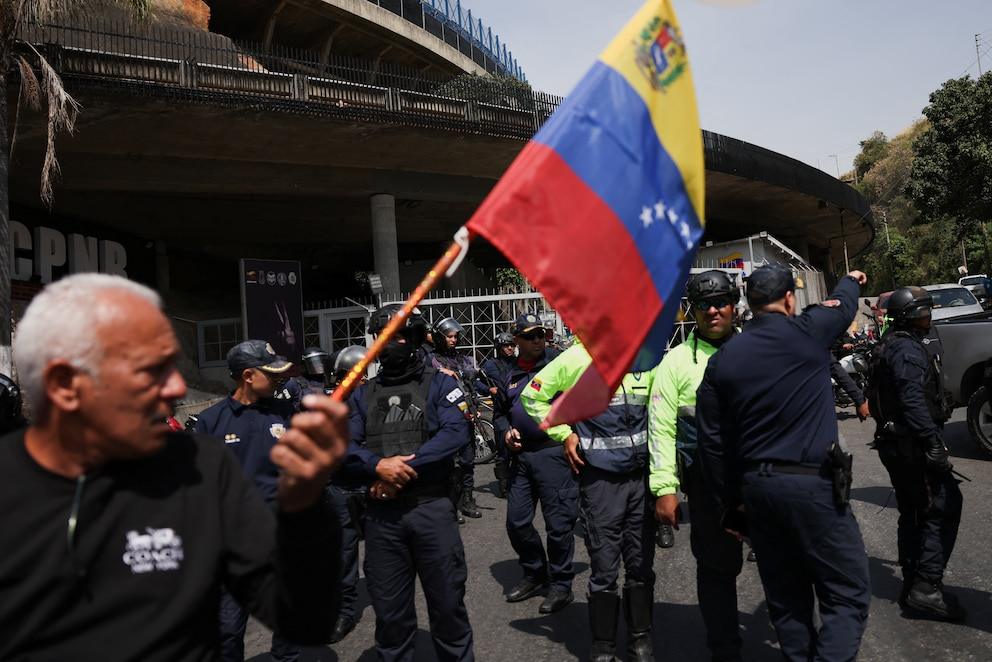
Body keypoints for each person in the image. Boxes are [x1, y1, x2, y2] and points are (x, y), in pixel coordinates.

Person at [0, 273, 346, 661]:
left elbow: (306, 620)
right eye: (150, 369)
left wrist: (303, 509)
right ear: (66, 384)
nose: (177, 389)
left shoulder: (197, 464)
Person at [696, 265, 872, 662]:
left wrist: (732, 504)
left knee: (787, 602)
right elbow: (844, 307)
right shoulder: (809, 331)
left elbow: (712, 443)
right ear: (790, 300)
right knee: (847, 594)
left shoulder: (722, 360)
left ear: (749, 306)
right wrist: (851, 279)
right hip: (814, 488)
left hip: (759, 494)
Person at [346, 305, 474, 661]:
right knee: (390, 617)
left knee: (448, 608)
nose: (393, 344)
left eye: (400, 336)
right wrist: (377, 465)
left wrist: (400, 469)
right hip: (382, 519)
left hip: (430, 509)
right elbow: (344, 446)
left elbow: (454, 433)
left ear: (416, 338)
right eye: (385, 337)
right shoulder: (363, 393)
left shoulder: (441, 383)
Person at [522, 342, 656, 662]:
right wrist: (564, 433)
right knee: (604, 567)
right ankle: (603, 646)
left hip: (641, 479)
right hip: (600, 481)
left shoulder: (645, 356)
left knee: (640, 565)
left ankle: (640, 641)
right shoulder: (578, 357)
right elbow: (533, 396)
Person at [648, 270, 745, 662]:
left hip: (764, 481)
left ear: (734, 305)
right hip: (708, 487)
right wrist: (665, 488)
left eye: (721, 301)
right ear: (691, 311)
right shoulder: (673, 364)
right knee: (716, 568)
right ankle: (724, 647)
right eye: (703, 305)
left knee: (783, 564)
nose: (713, 310)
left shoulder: (758, 350)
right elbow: (660, 426)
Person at [195, 340, 304, 662]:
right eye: (271, 373)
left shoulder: (287, 414)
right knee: (228, 628)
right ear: (247, 376)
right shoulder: (211, 423)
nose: (279, 379)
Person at [868, 286, 964, 621]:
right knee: (943, 506)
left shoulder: (890, 343)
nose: (929, 317)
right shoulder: (907, 350)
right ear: (911, 315)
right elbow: (911, 400)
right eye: (924, 312)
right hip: (912, 447)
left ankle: (911, 583)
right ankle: (926, 586)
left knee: (913, 513)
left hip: (897, 445)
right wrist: (932, 442)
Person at [494, 313, 575, 614]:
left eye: (541, 334)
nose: (538, 340)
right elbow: (500, 413)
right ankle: (535, 572)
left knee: (558, 525)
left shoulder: (560, 366)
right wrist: (505, 433)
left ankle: (561, 584)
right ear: (516, 340)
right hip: (522, 457)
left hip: (553, 453)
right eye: (530, 336)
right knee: (516, 521)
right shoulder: (509, 373)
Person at [326, 344, 369, 644]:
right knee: (343, 554)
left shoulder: (373, 399)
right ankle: (345, 610)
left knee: (384, 551)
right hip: (339, 488)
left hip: (371, 486)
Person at [431, 316, 482, 520]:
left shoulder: (461, 358)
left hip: (466, 417)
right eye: (450, 337)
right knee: (450, 464)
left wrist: (474, 407)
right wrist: (440, 372)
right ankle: (451, 505)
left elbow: (471, 384)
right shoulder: (432, 359)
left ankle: (467, 500)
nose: (453, 340)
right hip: (445, 420)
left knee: (468, 461)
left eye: (455, 336)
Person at [482, 331, 520, 499]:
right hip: (501, 412)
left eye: (512, 345)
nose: (510, 348)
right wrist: (488, 390)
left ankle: (521, 482)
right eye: (506, 345)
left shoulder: (519, 362)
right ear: (499, 347)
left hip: (519, 411)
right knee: (503, 450)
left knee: (521, 448)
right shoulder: (491, 365)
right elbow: (476, 381)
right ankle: (504, 485)